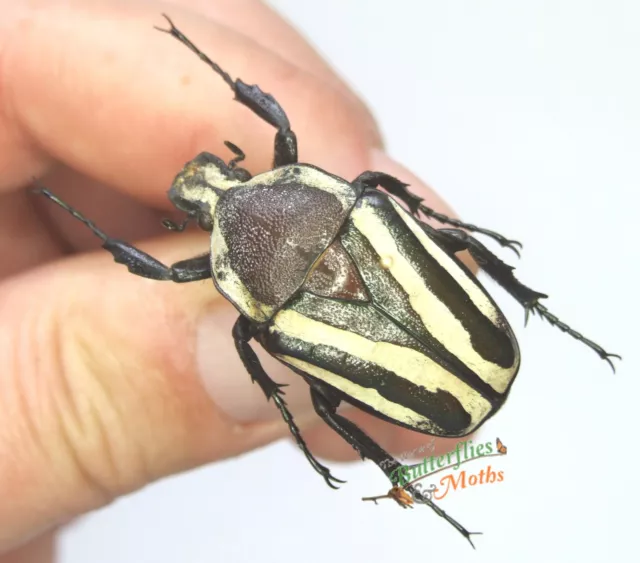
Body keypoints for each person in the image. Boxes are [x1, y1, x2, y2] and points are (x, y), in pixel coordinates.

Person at [0, 1, 466, 560]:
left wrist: (87, 222)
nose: (220, 181)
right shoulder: (337, 196)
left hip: (421, 389)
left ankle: (396, 472)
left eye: (225, 178)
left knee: (315, 401)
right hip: (457, 350)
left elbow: (171, 273)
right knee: (406, 211)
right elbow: (286, 127)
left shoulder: (270, 278)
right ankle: (402, 468)